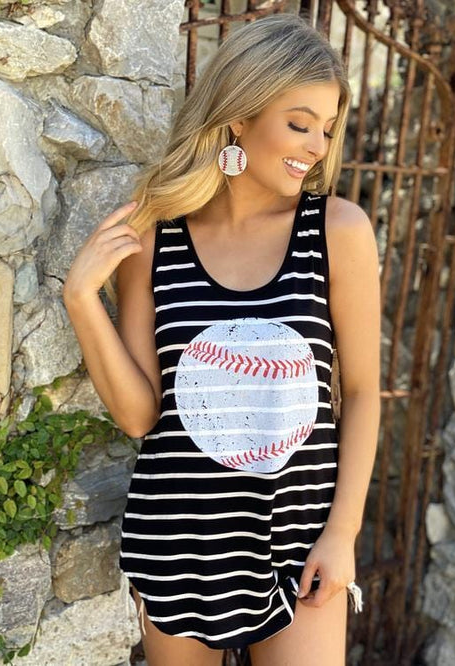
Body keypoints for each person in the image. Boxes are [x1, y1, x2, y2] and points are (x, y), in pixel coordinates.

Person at [63, 12, 380, 666]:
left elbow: (361, 393)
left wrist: (341, 533)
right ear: (239, 116)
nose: (317, 147)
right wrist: (81, 299)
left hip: (299, 539)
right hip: (179, 538)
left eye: (326, 129)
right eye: (299, 124)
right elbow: (139, 416)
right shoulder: (155, 236)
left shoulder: (338, 231)